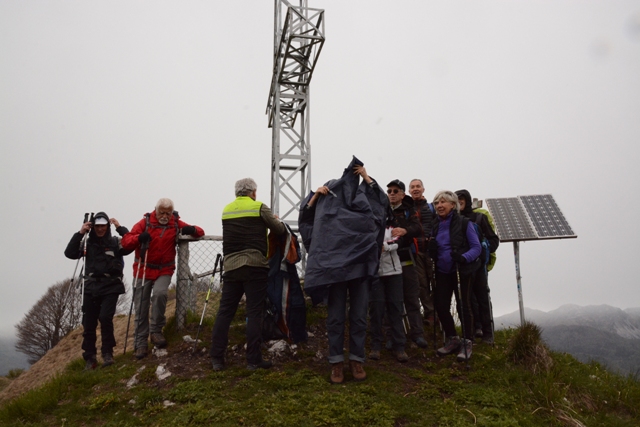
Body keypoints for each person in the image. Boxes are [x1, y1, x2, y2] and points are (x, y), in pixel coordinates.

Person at [299, 157, 387, 384]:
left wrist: (367, 178)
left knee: (358, 317)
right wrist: (316, 196)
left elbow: (381, 207)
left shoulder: (363, 198)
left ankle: (357, 360)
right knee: (336, 318)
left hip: (359, 268)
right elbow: (307, 221)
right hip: (334, 270)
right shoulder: (327, 199)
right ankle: (336, 363)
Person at [209, 178, 286, 371]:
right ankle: (253, 360)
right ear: (253, 192)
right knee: (254, 313)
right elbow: (278, 229)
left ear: (237, 193)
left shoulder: (226, 210)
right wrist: (275, 220)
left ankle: (217, 358)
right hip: (255, 265)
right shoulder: (259, 207)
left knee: (225, 312)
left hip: (231, 266)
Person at [122, 198, 204, 360]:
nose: (165, 216)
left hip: (164, 269)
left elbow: (200, 232)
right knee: (141, 306)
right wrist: (139, 238)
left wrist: (191, 229)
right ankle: (140, 343)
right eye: (162, 212)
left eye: (168, 213)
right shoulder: (144, 222)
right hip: (143, 269)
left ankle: (156, 331)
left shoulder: (175, 223)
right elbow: (126, 242)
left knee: (160, 294)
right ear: (156, 210)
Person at [64, 211, 133, 369]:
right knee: (89, 323)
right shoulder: (87, 243)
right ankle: (90, 357)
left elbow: (131, 244)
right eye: (97, 226)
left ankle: (107, 353)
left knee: (105, 318)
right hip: (90, 287)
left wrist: (120, 227)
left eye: (103, 226)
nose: (100, 229)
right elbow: (70, 253)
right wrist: (80, 233)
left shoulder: (115, 242)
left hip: (111, 286)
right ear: (93, 227)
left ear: (107, 226)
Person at [428, 191, 481, 362]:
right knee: (441, 305)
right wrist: (431, 249)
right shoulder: (435, 224)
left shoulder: (465, 223)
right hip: (443, 270)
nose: (439, 205)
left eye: (443, 202)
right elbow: (434, 247)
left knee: (463, 305)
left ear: (453, 205)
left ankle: (467, 342)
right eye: (436, 203)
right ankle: (452, 338)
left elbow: (476, 247)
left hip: (461, 270)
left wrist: (463, 257)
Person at [387, 179, 427, 349]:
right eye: (389, 191)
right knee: (392, 301)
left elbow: (418, 229)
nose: (392, 194)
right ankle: (392, 335)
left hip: (406, 259)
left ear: (403, 194)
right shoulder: (383, 211)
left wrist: (405, 231)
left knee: (411, 297)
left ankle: (417, 334)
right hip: (387, 262)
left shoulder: (409, 210)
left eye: (396, 191)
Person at [455, 189, 500, 344]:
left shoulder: (479, 218)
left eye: (462, 199)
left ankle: (488, 333)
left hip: (479, 266)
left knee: (482, 298)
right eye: (456, 199)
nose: (459, 201)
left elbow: (494, 241)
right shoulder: (454, 220)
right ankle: (472, 332)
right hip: (462, 266)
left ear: (467, 200)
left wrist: (483, 249)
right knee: (467, 300)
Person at [368, 223, 408, 363]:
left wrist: (383, 246)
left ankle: (400, 346)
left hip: (394, 273)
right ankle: (375, 346)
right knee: (376, 310)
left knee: (396, 308)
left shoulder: (392, 224)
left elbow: (399, 240)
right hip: (375, 273)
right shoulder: (367, 223)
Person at [408, 179, 436, 325]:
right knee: (422, 284)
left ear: (423, 189)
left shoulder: (432, 207)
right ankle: (429, 314)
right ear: (409, 191)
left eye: (418, 186)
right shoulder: (408, 209)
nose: (415, 189)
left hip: (432, 251)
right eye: (412, 187)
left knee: (435, 282)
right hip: (417, 251)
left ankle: (438, 313)